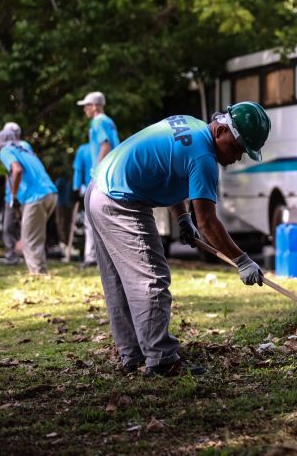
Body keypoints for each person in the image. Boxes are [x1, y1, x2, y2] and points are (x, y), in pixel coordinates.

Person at [85, 102, 271, 376]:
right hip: (121, 201)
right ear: (220, 130)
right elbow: (207, 222)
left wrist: (182, 217)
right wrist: (242, 261)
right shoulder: (205, 158)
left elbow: (171, 174)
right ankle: (161, 360)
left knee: (120, 283)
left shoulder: (190, 124)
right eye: (237, 147)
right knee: (151, 279)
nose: (238, 157)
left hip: (98, 188)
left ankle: (134, 357)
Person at [0, 130, 58, 275]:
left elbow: (17, 170)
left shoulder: (5, 150)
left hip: (36, 197)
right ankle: (40, 271)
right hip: (50, 194)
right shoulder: (25, 150)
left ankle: (38, 275)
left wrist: (13, 195)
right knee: (36, 236)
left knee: (30, 241)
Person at [0, 122, 33, 264]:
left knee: (17, 226)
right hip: (13, 193)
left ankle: (18, 255)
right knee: (13, 226)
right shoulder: (17, 147)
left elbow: (18, 169)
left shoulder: (21, 146)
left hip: (22, 193)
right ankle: (14, 255)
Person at [77, 91, 120, 168]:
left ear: (94, 106)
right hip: (114, 165)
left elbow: (105, 146)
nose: (84, 109)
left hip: (105, 169)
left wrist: (97, 171)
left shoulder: (97, 121)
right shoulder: (108, 120)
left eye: (86, 105)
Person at [71, 143, 95, 267]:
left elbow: (78, 170)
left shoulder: (84, 149)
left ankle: (91, 257)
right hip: (110, 189)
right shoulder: (114, 144)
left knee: (90, 225)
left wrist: (76, 188)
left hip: (90, 190)